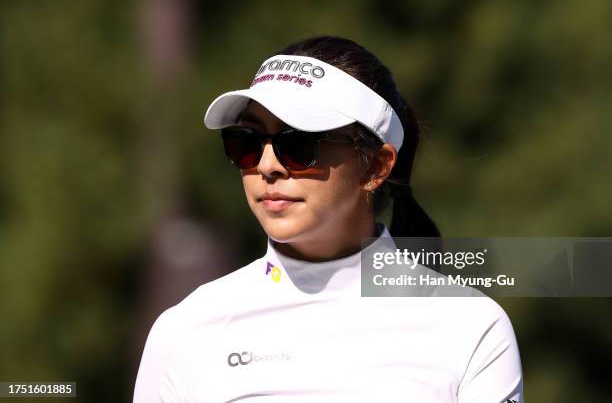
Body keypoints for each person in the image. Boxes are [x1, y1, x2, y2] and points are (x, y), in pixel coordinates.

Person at [133, 35, 524, 402]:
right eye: (247, 143)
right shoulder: (186, 330)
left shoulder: (471, 327)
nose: (267, 166)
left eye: (299, 144)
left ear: (375, 166)